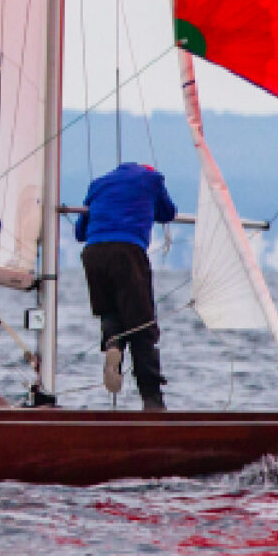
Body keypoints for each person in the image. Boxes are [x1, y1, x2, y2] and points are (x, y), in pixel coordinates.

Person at [75, 160, 178, 410]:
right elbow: (168, 212)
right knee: (142, 325)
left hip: (93, 253)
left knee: (111, 312)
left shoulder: (98, 184)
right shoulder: (152, 180)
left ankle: (113, 344)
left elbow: (80, 231)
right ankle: (152, 399)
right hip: (127, 251)